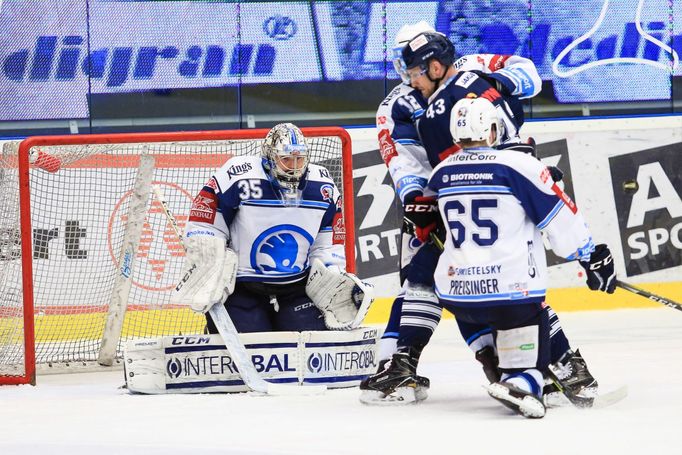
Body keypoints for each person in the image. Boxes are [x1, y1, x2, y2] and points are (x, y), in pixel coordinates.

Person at [362, 29, 597, 406]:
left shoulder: (468, 73)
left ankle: (559, 365)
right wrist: (418, 200)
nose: (407, 77)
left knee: (464, 277)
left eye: (412, 68)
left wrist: (500, 81)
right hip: (464, 189)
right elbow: (403, 164)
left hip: (487, 190)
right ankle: (529, 365)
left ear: (435, 64)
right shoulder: (401, 104)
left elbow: (528, 74)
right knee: (441, 278)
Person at [172, 123, 372, 334]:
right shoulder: (239, 175)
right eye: (286, 159)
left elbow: (329, 241)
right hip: (243, 288)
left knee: (313, 342)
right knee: (249, 344)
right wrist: (209, 260)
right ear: (269, 158)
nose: (294, 166)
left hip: (297, 289)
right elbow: (207, 220)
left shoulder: (321, 186)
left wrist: (331, 271)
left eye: (299, 159)